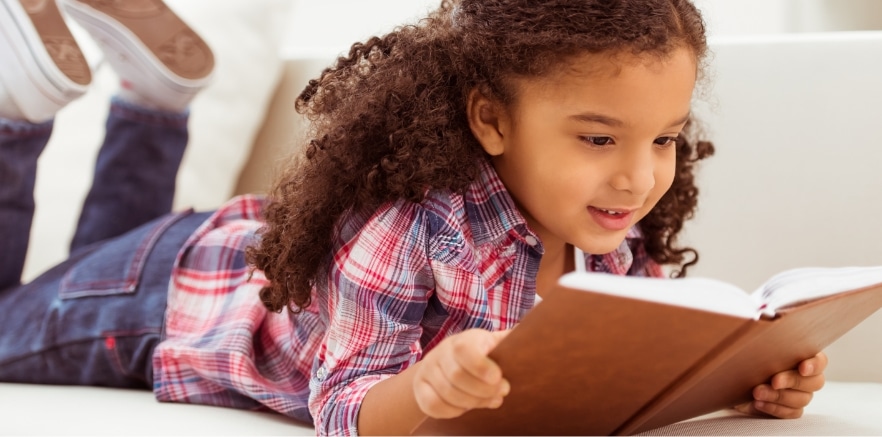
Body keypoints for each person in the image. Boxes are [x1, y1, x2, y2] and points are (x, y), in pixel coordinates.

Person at [0, 0, 828, 435]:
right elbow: (345, 410)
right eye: (599, 137)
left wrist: (746, 378)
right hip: (168, 298)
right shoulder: (410, 226)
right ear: (491, 121)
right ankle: (23, 113)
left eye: (665, 139)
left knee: (95, 250)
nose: (638, 175)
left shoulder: (604, 231)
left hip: (190, 256)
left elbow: (622, 375)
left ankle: (156, 101)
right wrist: (425, 389)